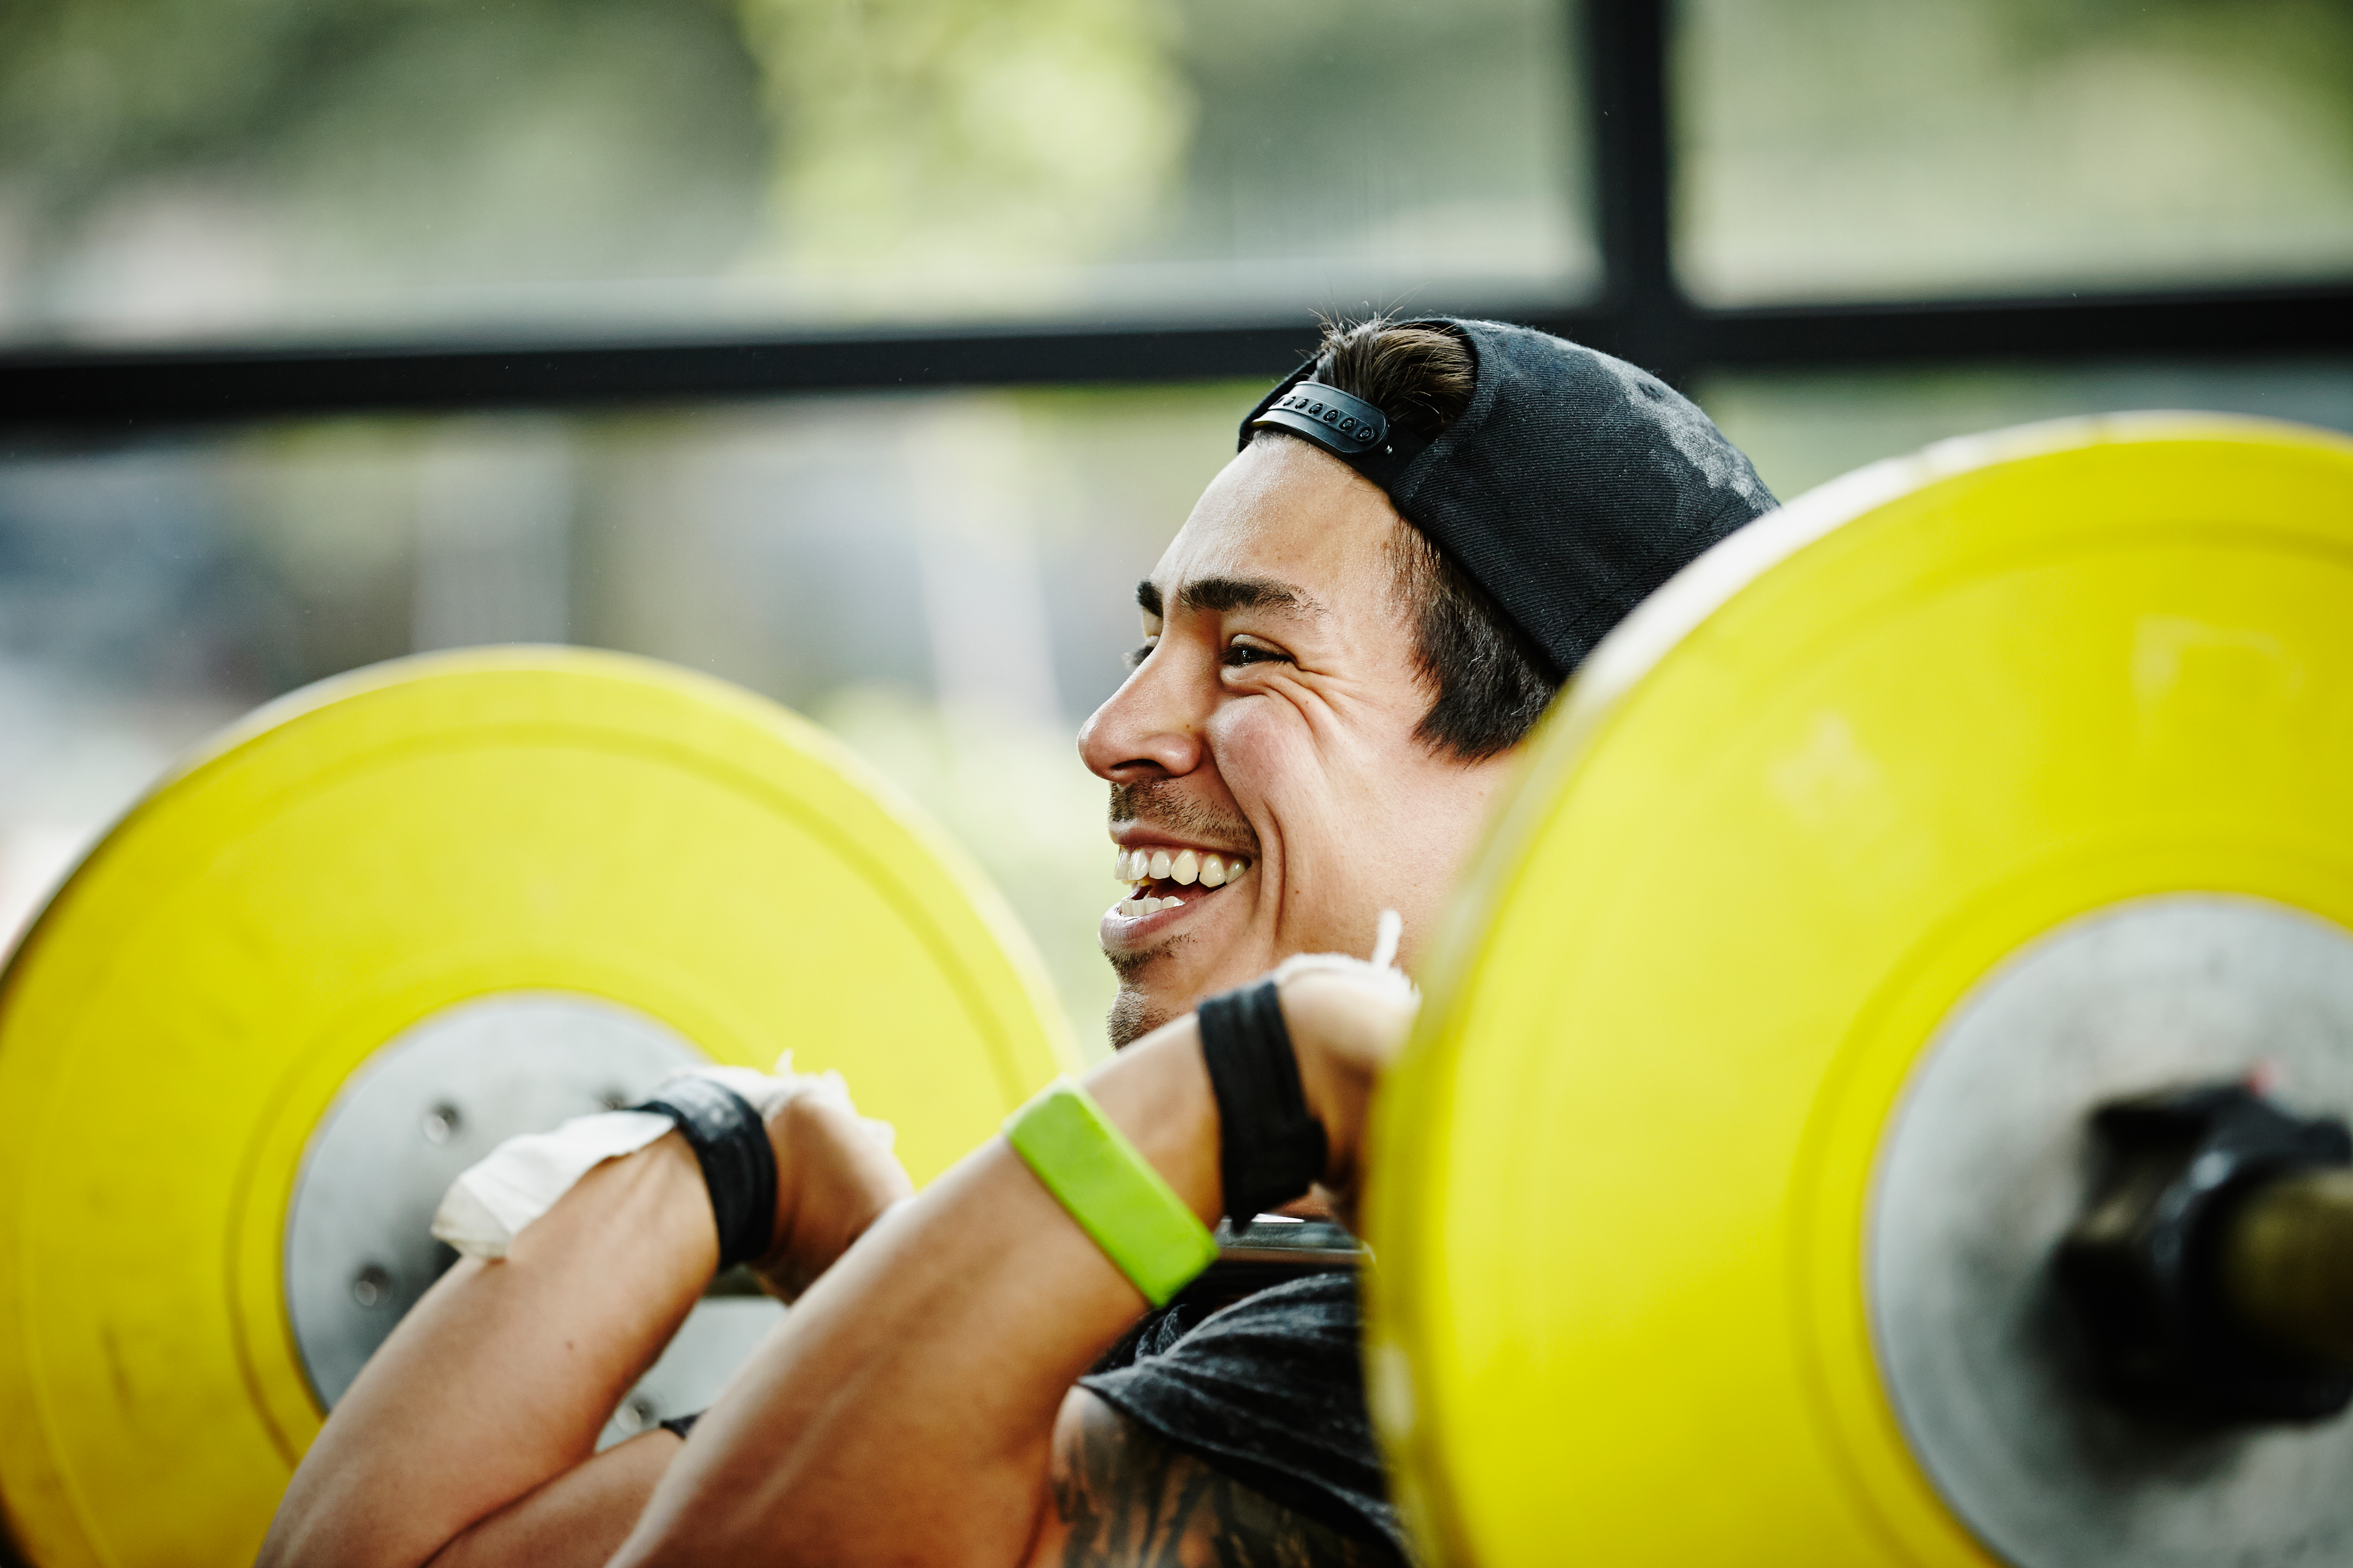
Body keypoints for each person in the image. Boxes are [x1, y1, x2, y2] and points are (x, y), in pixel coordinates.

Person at [256, 314, 1775, 1568]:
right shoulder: (1264, 1280)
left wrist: (1246, 1079)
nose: (1114, 733)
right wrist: (764, 1170)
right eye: (1144, 646)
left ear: (1569, 790)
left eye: (1249, 654)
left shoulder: (1421, 1360)